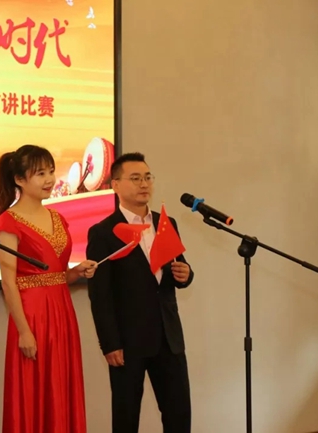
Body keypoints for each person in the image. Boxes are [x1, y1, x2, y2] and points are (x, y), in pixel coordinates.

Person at [0, 144, 97, 433]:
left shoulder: (58, 218)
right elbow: (8, 283)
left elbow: (57, 276)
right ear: (19, 180)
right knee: (33, 393)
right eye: (40, 174)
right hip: (32, 316)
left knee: (61, 388)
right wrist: (24, 331)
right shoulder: (8, 221)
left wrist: (75, 272)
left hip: (62, 314)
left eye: (51, 171)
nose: (49, 179)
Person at [86, 152, 194, 433]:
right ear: (115, 185)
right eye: (135, 178)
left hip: (168, 337)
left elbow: (178, 268)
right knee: (126, 417)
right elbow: (100, 294)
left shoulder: (166, 223)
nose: (144, 184)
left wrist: (186, 274)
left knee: (179, 415)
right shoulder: (103, 232)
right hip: (127, 342)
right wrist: (109, 343)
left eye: (147, 177)